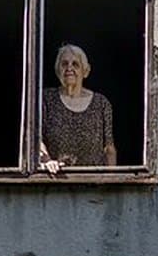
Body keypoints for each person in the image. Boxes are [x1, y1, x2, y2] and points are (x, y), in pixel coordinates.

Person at [39, 42, 117, 171]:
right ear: (58, 70)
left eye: (75, 64)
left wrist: (112, 181)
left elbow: (109, 148)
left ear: (85, 71)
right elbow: (36, 139)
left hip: (94, 183)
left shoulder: (101, 103)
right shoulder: (46, 99)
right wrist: (47, 161)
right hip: (58, 179)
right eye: (64, 64)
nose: (69, 68)